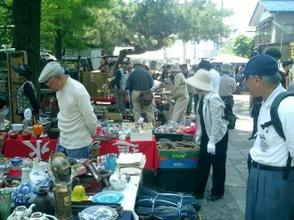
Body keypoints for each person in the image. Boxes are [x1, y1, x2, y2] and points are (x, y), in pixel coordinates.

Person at [243, 54, 294, 220]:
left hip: (276, 180)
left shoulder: (287, 107)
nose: (245, 82)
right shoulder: (266, 102)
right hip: (259, 175)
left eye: (247, 78)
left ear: (257, 80)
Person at [38, 61, 97, 159]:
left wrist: (92, 134)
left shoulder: (78, 90)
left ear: (59, 77)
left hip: (79, 144)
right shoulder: (60, 90)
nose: (51, 88)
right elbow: (64, 113)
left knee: (77, 173)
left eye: (51, 84)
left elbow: (89, 117)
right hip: (63, 140)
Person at [186, 69, 228, 201]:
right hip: (207, 134)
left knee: (218, 164)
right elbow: (201, 118)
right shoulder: (202, 97)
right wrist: (199, 133)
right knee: (203, 163)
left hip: (218, 137)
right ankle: (198, 191)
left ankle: (217, 192)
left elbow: (217, 122)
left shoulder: (214, 98)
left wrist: (212, 141)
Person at [219, 63, 237, 129]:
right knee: (229, 111)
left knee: (220, 112)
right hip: (229, 97)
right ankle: (229, 125)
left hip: (219, 97)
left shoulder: (218, 79)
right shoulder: (232, 79)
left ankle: (220, 125)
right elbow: (234, 90)